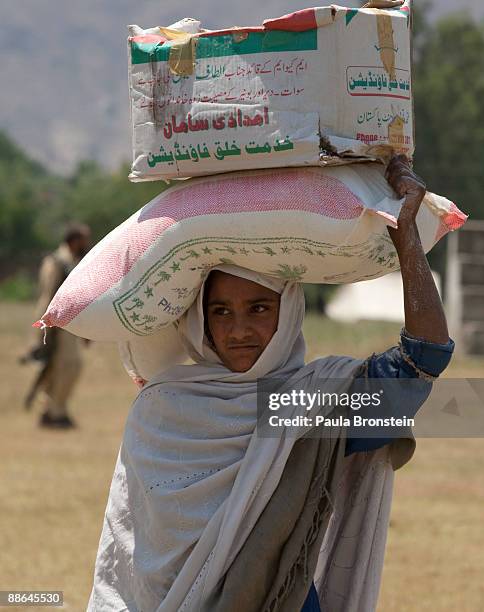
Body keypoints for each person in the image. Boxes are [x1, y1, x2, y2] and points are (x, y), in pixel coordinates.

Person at [87, 156, 455, 611]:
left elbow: (423, 358)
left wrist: (406, 239)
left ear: (289, 312)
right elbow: (131, 554)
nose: (239, 329)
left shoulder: (309, 404)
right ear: (199, 318)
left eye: (259, 308)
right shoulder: (161, 407)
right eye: (221, 311)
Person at [26, 223, 91, 429]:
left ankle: (54, 409)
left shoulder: (73, 262)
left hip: (70, 324)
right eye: (83, 240)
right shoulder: (55, 262)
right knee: (61, 368)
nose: (86, 244)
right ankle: (54, 412)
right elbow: (46, 297)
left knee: (70, 367)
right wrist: (44, 328)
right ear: (73, 240)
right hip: (55, 326)